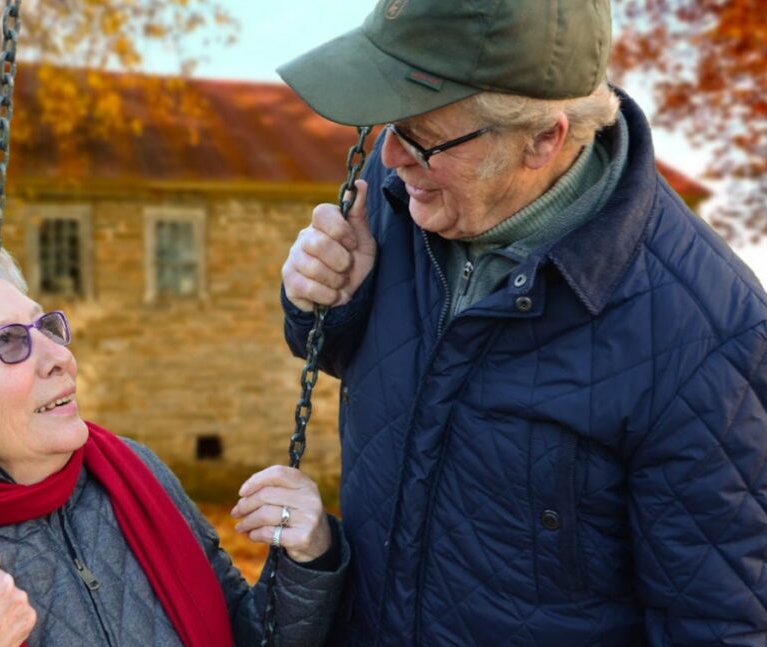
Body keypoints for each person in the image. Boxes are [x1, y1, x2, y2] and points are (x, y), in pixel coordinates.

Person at [278, 0, 767, 644]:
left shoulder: (705, 336)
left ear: (544, 139)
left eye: (422, 137)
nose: (391, 155)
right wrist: (323, 302)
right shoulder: (406, 193)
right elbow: (367, 368)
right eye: (385, 123)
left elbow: (718, 624)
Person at [0, 232, 347, 647]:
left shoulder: (135, 475)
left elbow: (246, 637)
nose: (59, 357)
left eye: (46, 328)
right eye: (7, 342)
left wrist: (304, 560)